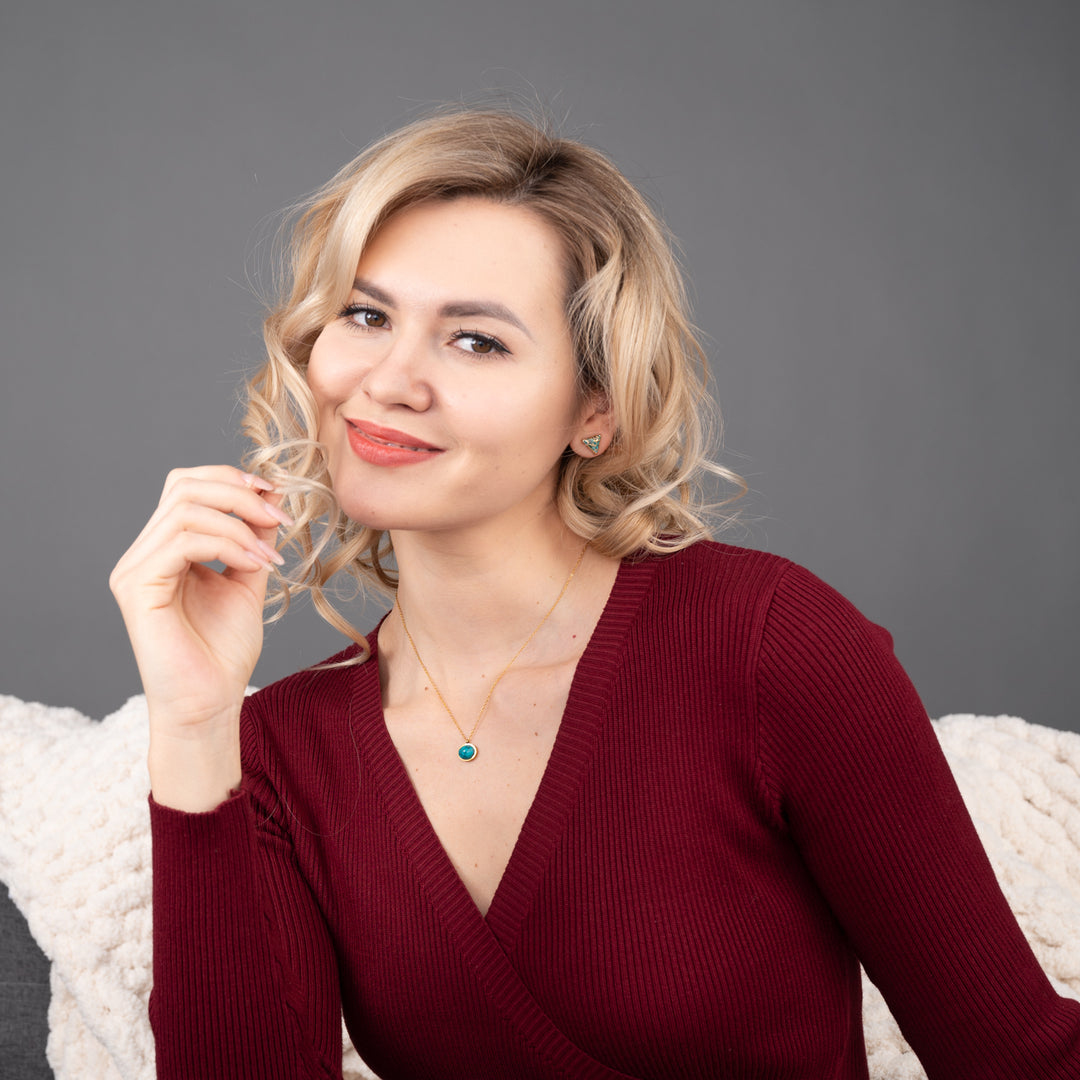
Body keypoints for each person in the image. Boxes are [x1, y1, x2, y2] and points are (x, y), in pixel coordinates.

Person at [110, 109, 1080, 1080]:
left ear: (594, 409)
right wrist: (193, 725)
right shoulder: (281, 748)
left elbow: (1015, 1057)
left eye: (477, 341)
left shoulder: (768, 644)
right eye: (366, 316)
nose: (391, 380)